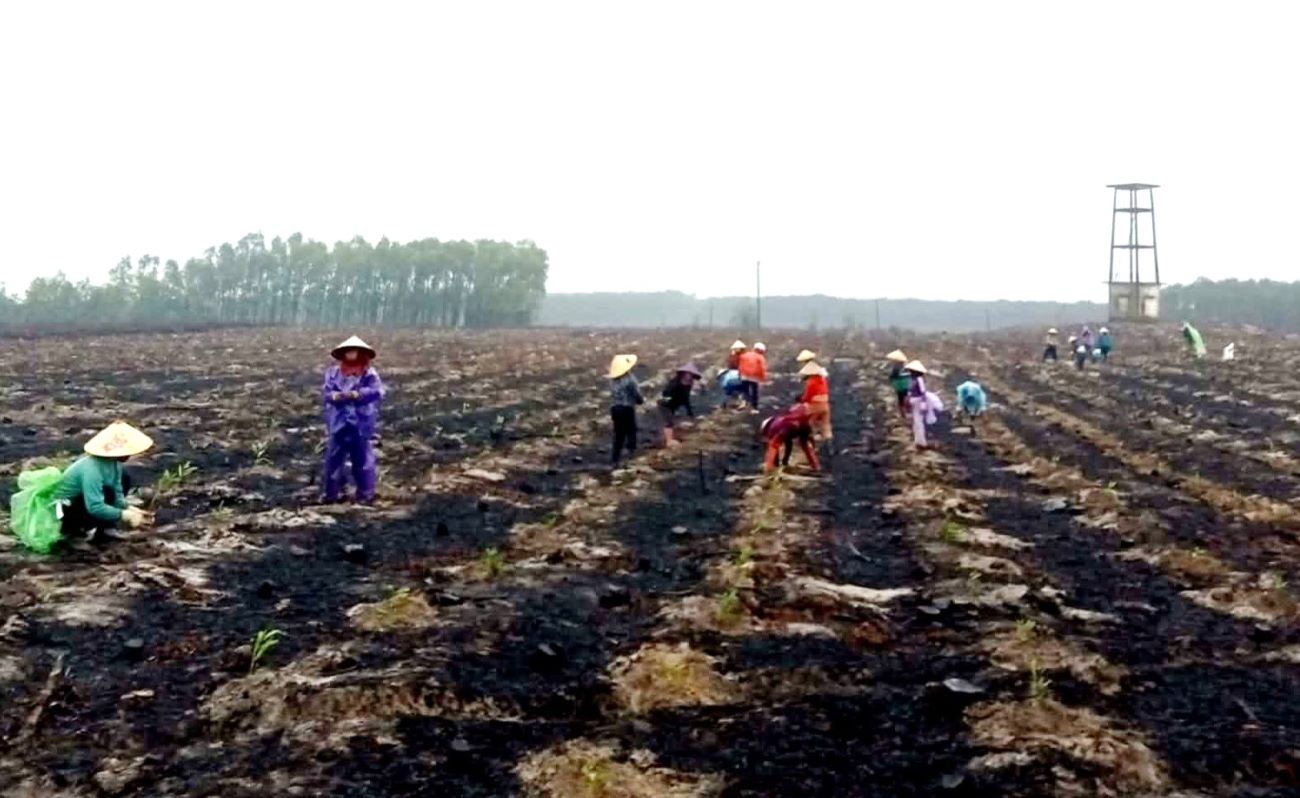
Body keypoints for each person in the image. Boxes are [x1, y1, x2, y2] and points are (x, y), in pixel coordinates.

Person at [54, 421, 154, 543]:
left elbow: (118, 495)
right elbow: (95, 507)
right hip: (67, 509)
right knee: (106, 492)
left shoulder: (114, 464)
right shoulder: (92, 469)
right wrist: (124, 515)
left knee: (124, 479)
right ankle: (74, 533)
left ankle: (106, 529)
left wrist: (131, 509)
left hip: (87, 500)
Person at [322, 336, 386, 503]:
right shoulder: (333, 373)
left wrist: (359, 395)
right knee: (333, 460)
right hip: (339, 421)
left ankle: (365, 495)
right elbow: (327, 392)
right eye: (348, 351)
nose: (351, 354)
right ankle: (331, 494)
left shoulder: (369, 373)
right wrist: (335, 396)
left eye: (354, 351)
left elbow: (377, 391)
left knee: (363, 460)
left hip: (361, 421)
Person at [760, 403, 821, 473]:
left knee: (773, 447)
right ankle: (816, 467)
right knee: (806, 447)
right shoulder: (781, 419)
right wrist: (785, 461)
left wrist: (776, 463)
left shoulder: (772, 428)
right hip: (802, 425)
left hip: (788, 426)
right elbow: (789, 444)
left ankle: (768, 471)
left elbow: (775, 450)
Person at [608, 353, 644, 465]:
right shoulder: (630, 379)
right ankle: (631, 455)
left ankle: (615, 458)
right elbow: (636, 393)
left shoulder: (612, 380)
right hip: (627, 408)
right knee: (631, 431)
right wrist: (640, 400)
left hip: (615, 409)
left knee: (619, 434)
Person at [659, 363, 701, 446]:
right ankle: (669, 441)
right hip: (665, 404)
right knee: (669, 421)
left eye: (691, 375)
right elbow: (665, 394)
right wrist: (668, 400)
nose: (689, 376)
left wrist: (689, 412)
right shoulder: (674, 383)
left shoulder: (688, 385)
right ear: (683, 373)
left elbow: (686, 398)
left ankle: (669, 436)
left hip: (674, 404)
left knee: (672, 420)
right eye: (688, 374)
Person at [905, 360, 939, 449]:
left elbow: (922, 392)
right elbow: (909, 392)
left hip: (918, 401)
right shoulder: (911, 379)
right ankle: (918, 441)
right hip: (913, 401)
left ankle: (921, 442)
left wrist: (923, 404)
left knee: (918, 421)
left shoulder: (919, 379)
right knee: (916, 421)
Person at [798, 361, 832, 442]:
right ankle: (828, 440)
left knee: (810, 422)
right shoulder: (823, 380)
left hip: (815, 405)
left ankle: (811, 439)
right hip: (825, 405)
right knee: (825, 424)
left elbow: (808, 396)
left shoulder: (811, 382)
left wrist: (802, 399)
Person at [737, 342, 768, 411]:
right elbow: (762, 368)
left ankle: (744, 402)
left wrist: (740, 374)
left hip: (744, 375)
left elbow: (740, 365)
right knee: (754, 392)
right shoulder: (760, 357)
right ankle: (754, 408)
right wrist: (763, 378)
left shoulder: (744, 355)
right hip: (754, 377)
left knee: (745, 390)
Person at [886, 350, 911, 416]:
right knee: (906, 398)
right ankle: (908, 412)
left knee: (901, 400)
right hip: (907, 385)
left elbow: (892, 377)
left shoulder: (896, 368)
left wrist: (892, 382)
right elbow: (909, 376)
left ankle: (903, 414)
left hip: (900, 386)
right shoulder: (906, 367)